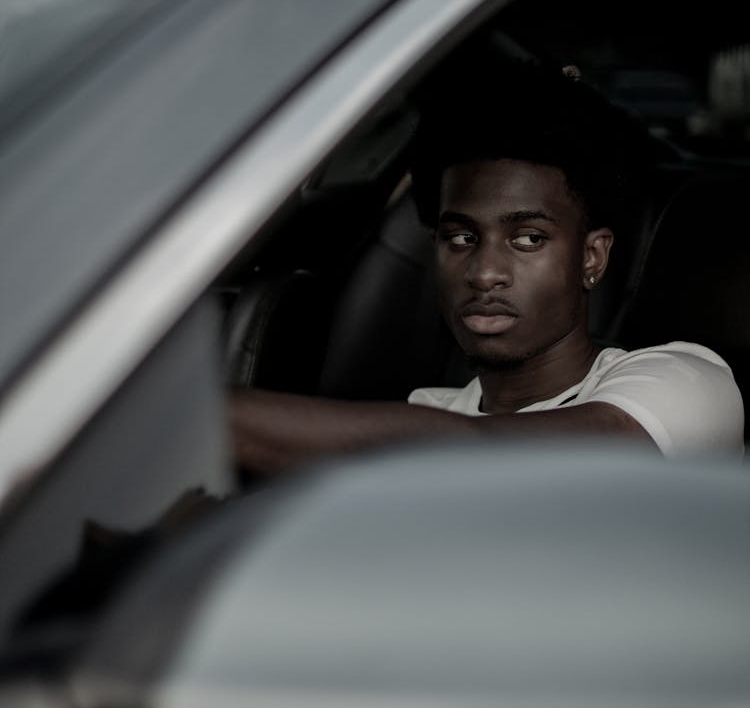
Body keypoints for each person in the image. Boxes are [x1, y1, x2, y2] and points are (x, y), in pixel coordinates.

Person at [229, 59, 744, 472]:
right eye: (460, 238)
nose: (484, 272)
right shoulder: (431, 410)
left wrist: (198, 420)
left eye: (528, 238)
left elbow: (509, 454)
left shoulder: (685, 384)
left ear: (591, 257)